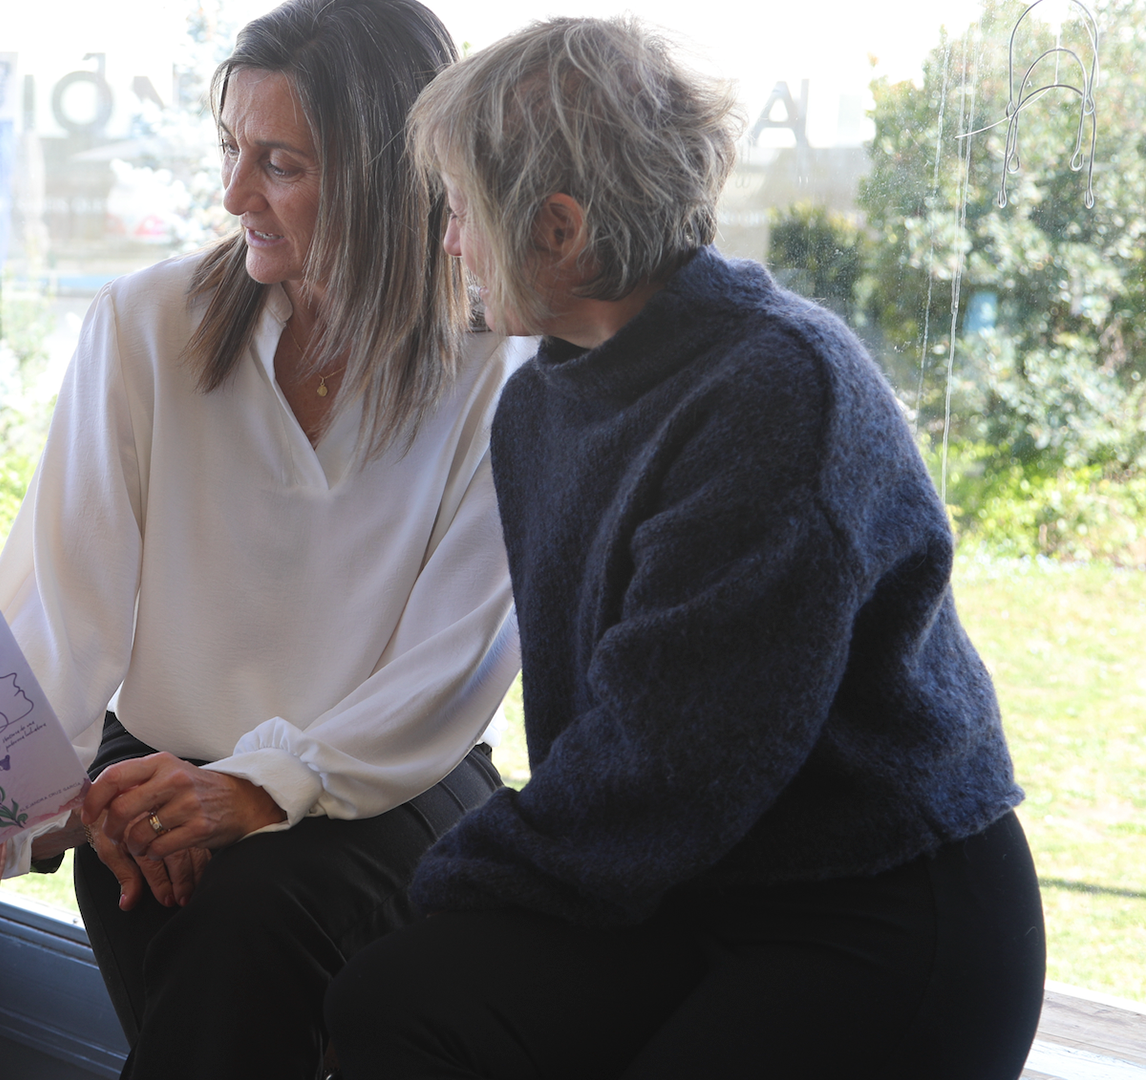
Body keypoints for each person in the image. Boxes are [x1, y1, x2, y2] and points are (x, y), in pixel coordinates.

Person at [324, 17, 1046, 1079]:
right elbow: (623, 758)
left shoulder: (778, 390)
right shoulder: (539, 403)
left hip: (875, 905)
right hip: (695, 882)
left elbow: (668, 768)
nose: (449, 243)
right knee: (396, 999)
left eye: (462, 212)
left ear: (560, 232)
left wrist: (439, 879)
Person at [0, 0, 530, 1075]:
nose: (232, 196)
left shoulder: (501, 370)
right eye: (230, 150)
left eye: (280, 164)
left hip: (393, 777)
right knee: (199, 907)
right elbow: (60, 608)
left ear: (390, 173)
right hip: (162, 772)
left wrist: (257, 788)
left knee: (243, 913)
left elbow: (452, 664)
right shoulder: (145, 326)